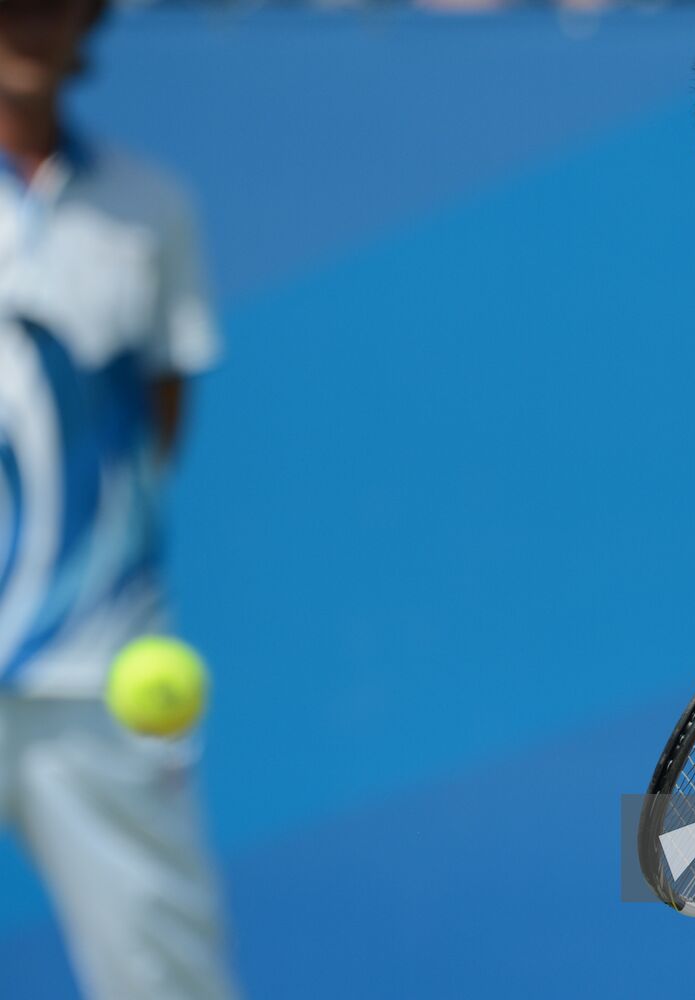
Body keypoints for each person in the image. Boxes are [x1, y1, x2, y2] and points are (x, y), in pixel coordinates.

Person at [0, 1, 238, 997]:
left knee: (166, 981)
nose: (31, 20)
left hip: (96, 668)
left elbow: (159, 420)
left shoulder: (151, 203)